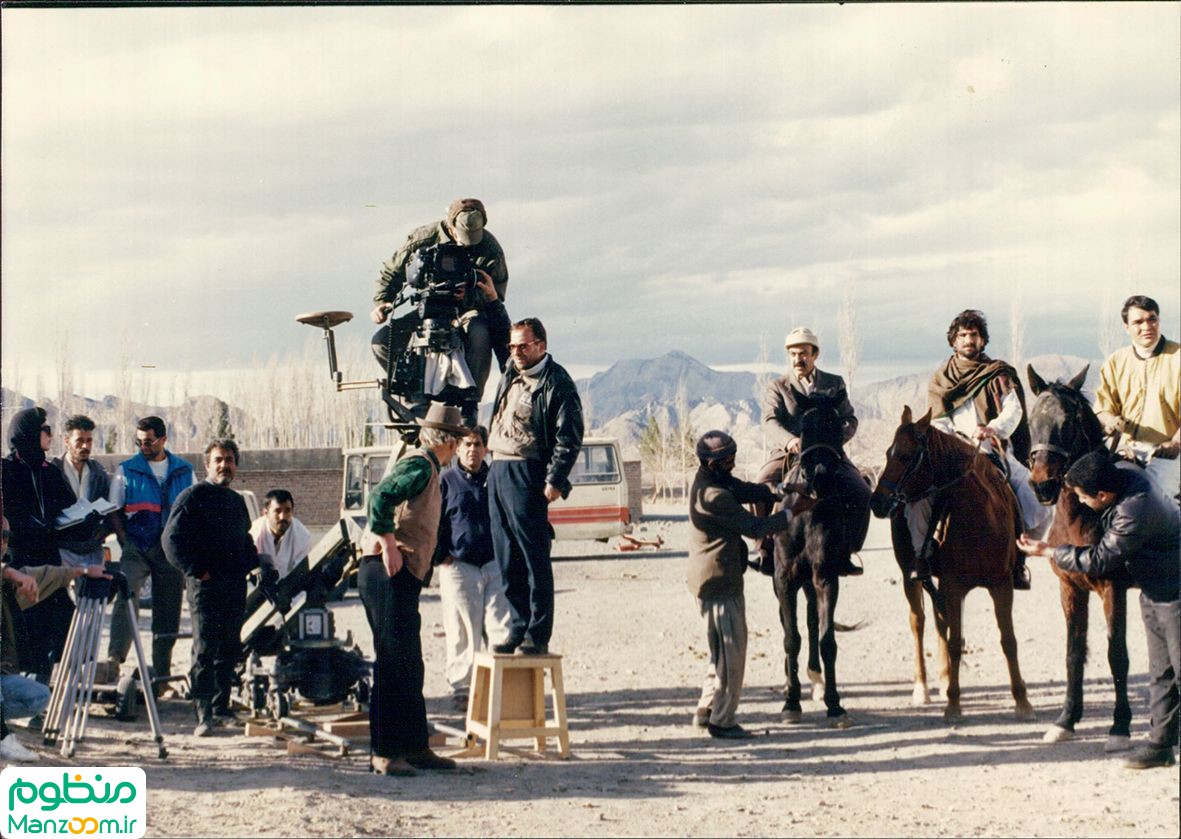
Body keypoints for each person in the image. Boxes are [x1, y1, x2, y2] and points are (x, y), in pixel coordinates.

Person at [1019, 452, 1180, 769]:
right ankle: (1161, 745)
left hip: (1175, 588)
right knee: (1161, 670)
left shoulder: (1134, 510)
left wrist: (1049, 550)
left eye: (1081, 497)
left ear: (1103, 496)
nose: (1079, 502)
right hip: (1153, 588)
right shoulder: (1118, 475)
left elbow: (1099, 561)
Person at [358, 403, 467, 776]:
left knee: (409, 662)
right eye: (457, 440)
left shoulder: (430, 470)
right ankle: (384, 752)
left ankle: (415, 746)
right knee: (391, 662)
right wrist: (388, 543)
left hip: (401, 574)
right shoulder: (419, 465)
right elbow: (381, 497)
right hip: (386, 569)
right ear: (449, 442)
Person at [909, 309, 1048, 588]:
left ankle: (1017, 560)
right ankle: (922, 558)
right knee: (918, 499)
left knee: (1037, 504)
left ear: (983, 340)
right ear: (953, 341)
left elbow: (1013, 409)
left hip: (992, 450)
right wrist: (955, 441)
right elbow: (938, 420)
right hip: (951, 454)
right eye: (962, 335)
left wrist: (992, 428)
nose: (968, 340)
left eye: (974, 335)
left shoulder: (998, 372)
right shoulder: (940, 379)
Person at [687, 431, 810, 739]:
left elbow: (747, 489)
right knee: (732, 653)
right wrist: (792, 511)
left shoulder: (711, 480)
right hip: (719, 582)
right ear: (713, 463)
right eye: (728, 460)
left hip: (708, 579)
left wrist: (782, 490)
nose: (733, 463)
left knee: (719, 652)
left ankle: (706, 709)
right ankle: (723, 721)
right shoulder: (715, 496)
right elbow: (755, 526)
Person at [486, 317, 584, 655]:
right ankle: (516, 626)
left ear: (541, 345)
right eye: (512, 346)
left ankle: (537, 633)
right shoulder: (511, 372)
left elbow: (569, 436)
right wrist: (493, 303)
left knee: (532, 557)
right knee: (506, 555)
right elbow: (497, 332)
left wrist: (555, 480)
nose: (515, 352)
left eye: (523, 346)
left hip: (527, 473)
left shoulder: (557, 383)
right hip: (497, 468)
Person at [162, 439, 268, 737]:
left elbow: (244, 541)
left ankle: (222, 707)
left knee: (230, 646)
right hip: (205, 588)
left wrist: (255, 565)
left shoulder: (235, 501)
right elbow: (171, 541)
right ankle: (203, 713)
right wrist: (197, 571)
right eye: (219, 460)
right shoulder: (192, 497)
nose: (225, 465)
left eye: (230, 460)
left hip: (233, 585)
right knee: (205, 648)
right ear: (207, 464)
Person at [370, 198, 511, 405]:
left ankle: (469, 398)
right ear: (450, 225)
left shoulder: (490, 249)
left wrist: (469, 295)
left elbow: (495, 292)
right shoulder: (422, 239)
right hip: (427, 308)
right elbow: (391, 271)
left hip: (467, 309)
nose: (466, 242)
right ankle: (415, 393)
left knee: (480, 332)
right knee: (382, 342)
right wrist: (382, 302)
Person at [755, 326, 867, 576]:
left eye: (804, 353)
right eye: (793, 354)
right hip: (790, 452)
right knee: (761, 482)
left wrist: (836, 440)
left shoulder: (834, 384)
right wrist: (789, 441)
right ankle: (764, 549)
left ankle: (847, 552)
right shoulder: (778, 386)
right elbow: (769, 421)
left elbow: (850, 418)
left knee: (861, 491)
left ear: (814, 354)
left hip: (828, 451)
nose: (798, 359)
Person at [2, 515, 111, 761]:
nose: (2, 542)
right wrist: (9, 574)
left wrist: (84, 571)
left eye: (6, 537)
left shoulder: (11, 583)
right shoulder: (9, 577)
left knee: (37, 696)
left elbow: (47, 574)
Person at [105, 416, 194, 684]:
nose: (143, 447)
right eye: (139, 442)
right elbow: (114, 509)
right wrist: (125, 540)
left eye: (148, 442)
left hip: (170, 550)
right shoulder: (127, 470)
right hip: (137, 546)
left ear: (164, 440)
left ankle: (161, 674)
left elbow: (191, 510)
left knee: (168, 609)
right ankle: (114, 660)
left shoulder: (184, 470)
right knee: (126, 595)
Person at [434, 425, 514, 710]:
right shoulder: (446, 481)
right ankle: (461, 688)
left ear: (486, 448)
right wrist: (439, 555)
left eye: (478, 444)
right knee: (462, 630)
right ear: (457, 447)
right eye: (467, 444)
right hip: (459, 565)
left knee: (499, 626)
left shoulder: (495, 479)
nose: (473, 450)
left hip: (493, 564)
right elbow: (434, 520)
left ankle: (499, 684)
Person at [1, 407, 77, 681]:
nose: (50, 435)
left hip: (49, 558)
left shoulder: (51, 471)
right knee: (24, 629)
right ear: (30, 434)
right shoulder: (6, 471)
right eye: (45, 430)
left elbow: (69, 508)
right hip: (21, 561)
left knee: (58, 622)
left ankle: (41, 691)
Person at [1094, 294, 1180, 502]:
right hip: (1126, 448)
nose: (1147, 326)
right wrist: (1111, 421)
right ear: (1126, 327)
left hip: (1168, 454)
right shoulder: (1116, 361)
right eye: (1138, 322)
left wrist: (1175, 443)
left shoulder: (1178, 358)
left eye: (1152, 319)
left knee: (1148, 499)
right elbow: (1102, 409)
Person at [52, 414, 118, 568]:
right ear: (67, 441)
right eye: (80, 441)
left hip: (92, 548)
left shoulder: (98, 472)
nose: (85, 446)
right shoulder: (53, 471)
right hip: (63, 548)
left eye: (89, 441)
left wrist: (102, 531)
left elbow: (109, 507)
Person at [249, 489, 313, 580]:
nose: (282, 517)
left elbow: (300, 574)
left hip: (291, 590)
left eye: (287, 511)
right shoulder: (254, 533)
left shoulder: (303, 536)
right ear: (265, 513)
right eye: (277, 511)